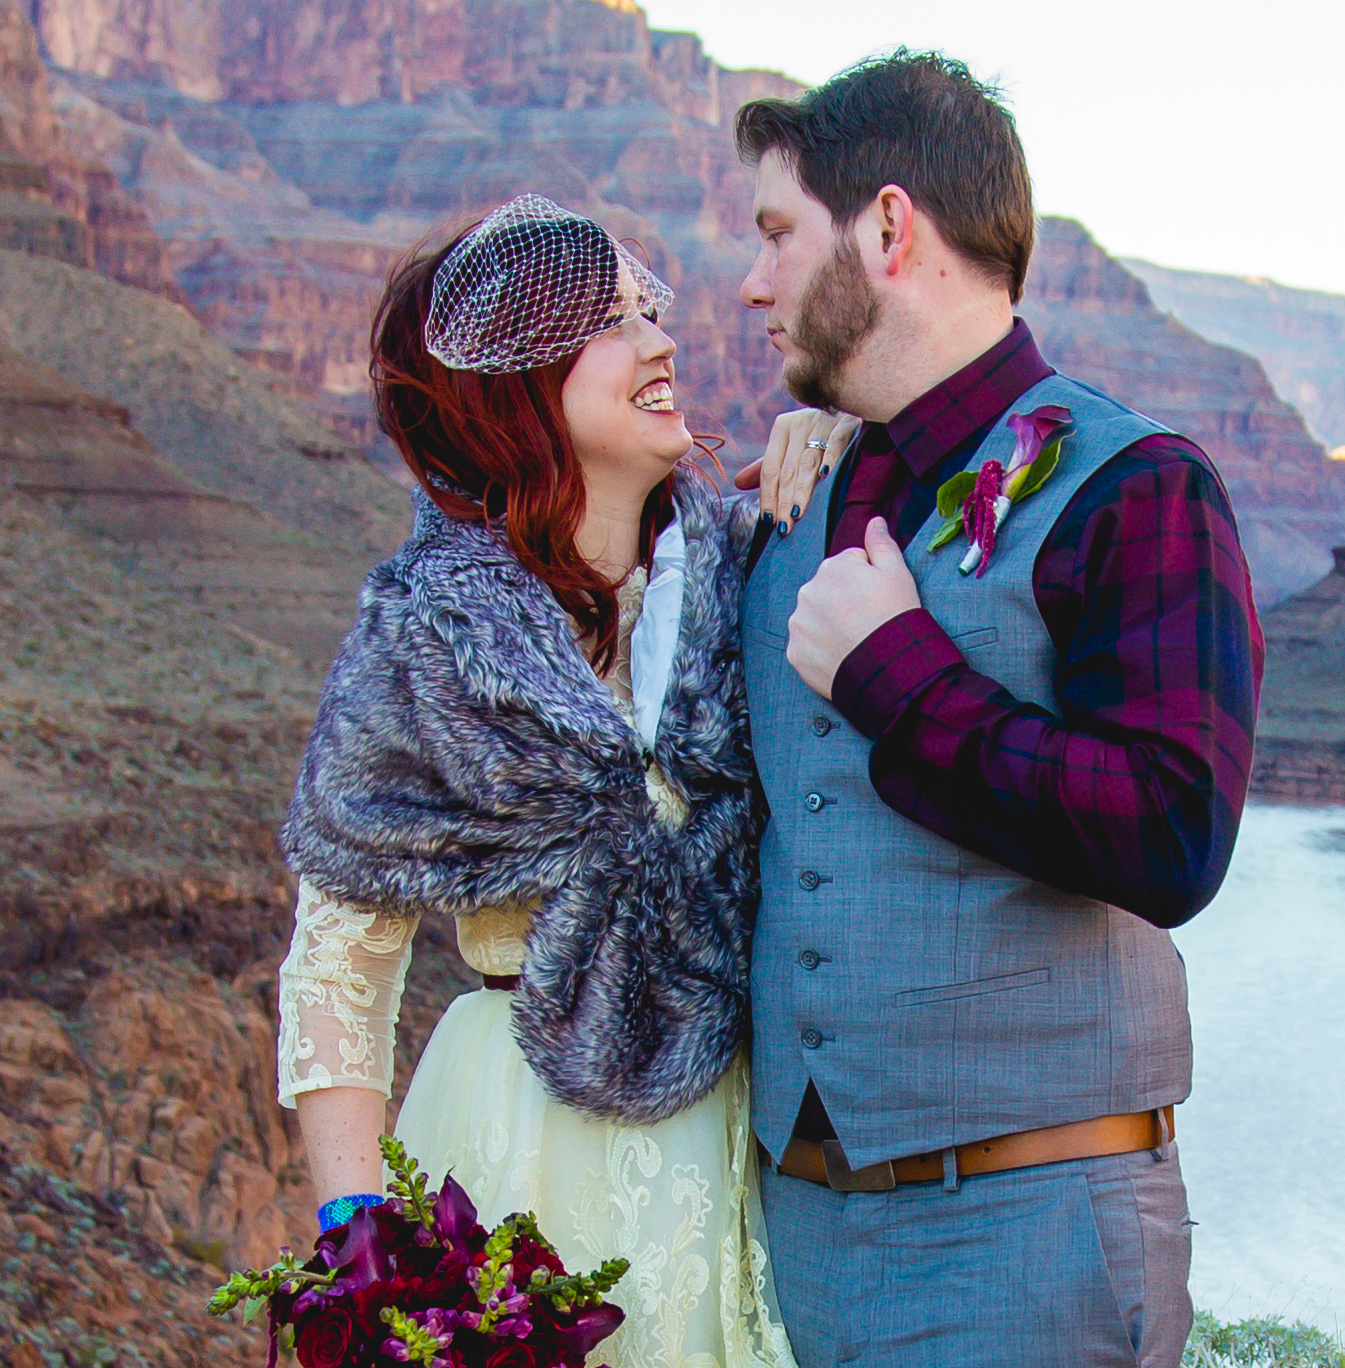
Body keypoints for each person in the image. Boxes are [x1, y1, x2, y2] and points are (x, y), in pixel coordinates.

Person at [723, 51, 1262, 1368]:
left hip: (1030, 1246)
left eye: (780, 234)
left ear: (890, 227)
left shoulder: (1136, 488)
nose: (754, 282)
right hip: (804, 1247)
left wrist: (901, 674)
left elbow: (1173, 833)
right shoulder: (795, 498)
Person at [274, 196, 800, 1367]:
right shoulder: (426, 635)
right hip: (516, 1139)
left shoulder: (749, 568)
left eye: (649, 309)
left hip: (742, 1142)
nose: (663, 343)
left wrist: (839, 441)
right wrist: (360, 1239)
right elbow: (340, 967)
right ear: (519, 383)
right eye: (615, 324)